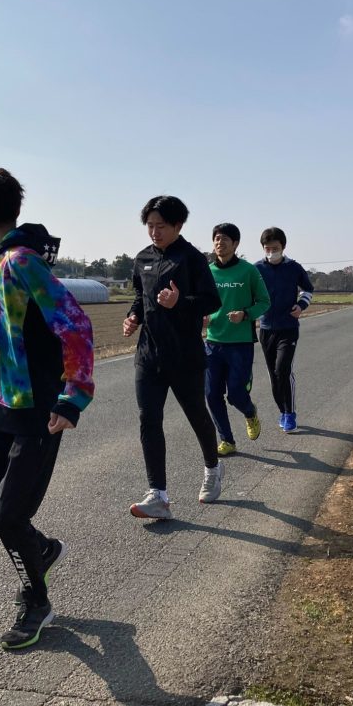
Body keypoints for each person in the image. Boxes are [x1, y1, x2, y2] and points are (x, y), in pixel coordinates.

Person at [0, 167, 94, 650]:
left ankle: (37, 602)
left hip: (37, 410)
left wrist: (73, 398)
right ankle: (42, 550)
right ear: (14, 209)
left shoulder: (22, 263)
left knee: (9, 515)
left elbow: (76, 325)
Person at [123, 195, 223, 519]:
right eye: (150, 226)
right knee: (149, 419)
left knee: (197, 415)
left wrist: (179, 302)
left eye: (161, 226)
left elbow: (212, 302)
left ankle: (213, 468)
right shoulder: (142, 258)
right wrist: (133, 317)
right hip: (148, 355)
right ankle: (158, 496)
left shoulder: (192, 258)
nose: (155, 232)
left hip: (184, 356)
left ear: (178, 225)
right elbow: (140, 297)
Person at [205, 223, 271, 455]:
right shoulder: (208, 272)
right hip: (213, 342)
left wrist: (245, 314)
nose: (219, 243)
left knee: (235, 394)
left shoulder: (248, 271)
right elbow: (202, 302)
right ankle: (227, 440)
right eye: (216, 238)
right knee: (212, 395)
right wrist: (203, 316)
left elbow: (264, 302)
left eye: (224, 239)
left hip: (240, 344)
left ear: (235, 244)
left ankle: (250, 412)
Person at [254, 226, 313, 433]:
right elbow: (248, 293)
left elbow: (308, 289)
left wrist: (301, 305)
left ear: (283, 247)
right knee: (273, 374)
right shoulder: (256, 269)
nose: (271, 252)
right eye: (267, 248)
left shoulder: (294, 268)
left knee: (283, 370)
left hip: (288, 327)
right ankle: (282, 410)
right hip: (266, 328)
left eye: (275, 248)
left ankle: (290, 413)